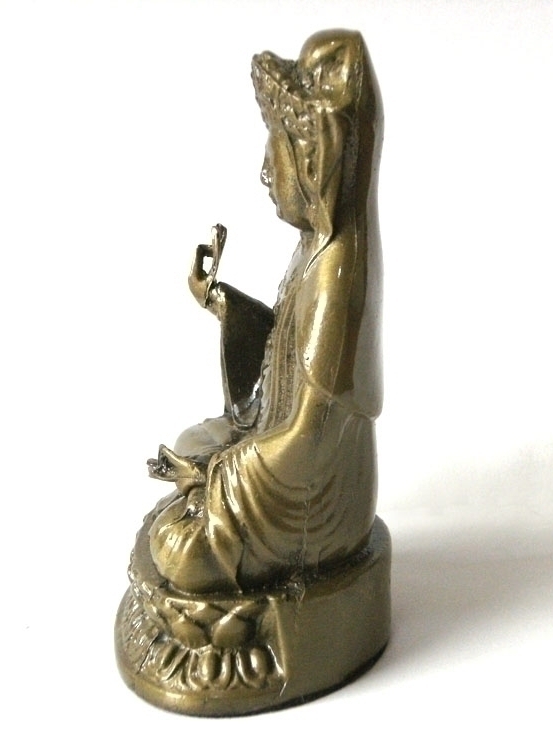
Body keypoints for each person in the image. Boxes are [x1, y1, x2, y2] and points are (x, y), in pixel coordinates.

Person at [146, 29, 383, 595]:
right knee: (197, 436)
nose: (264, 171)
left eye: (276, 151)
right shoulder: (314, 247)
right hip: (275, 465)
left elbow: (308, 440)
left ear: (313, 164)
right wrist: (222, 302)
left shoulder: (338, 274)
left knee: (177, 549)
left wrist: (212, 478)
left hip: (314, 506)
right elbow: (282, 354)